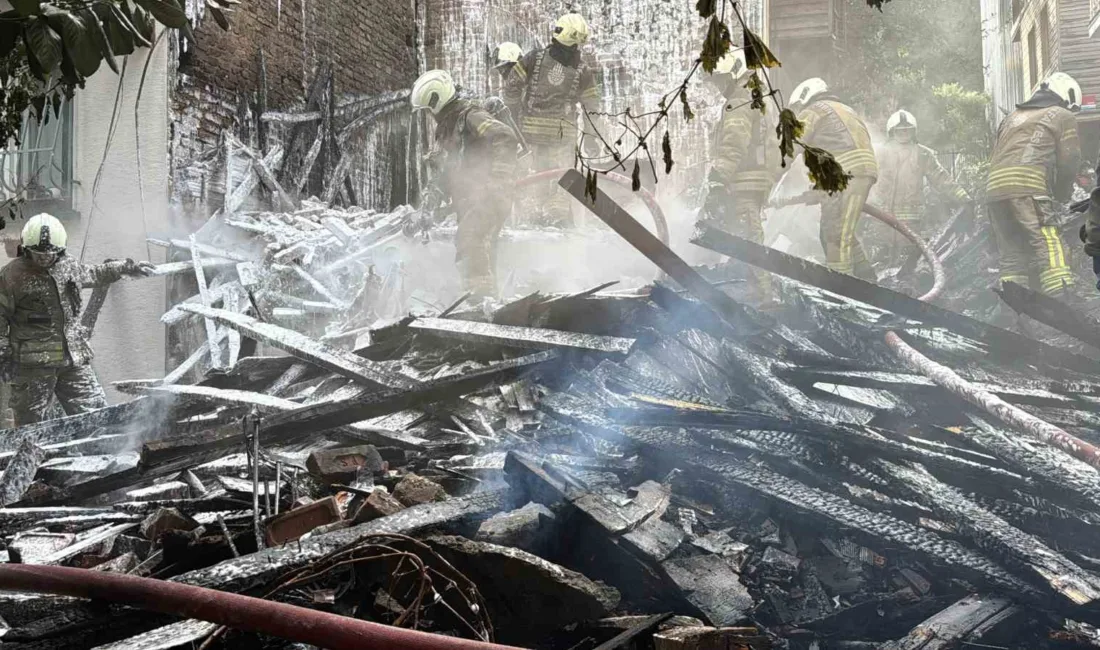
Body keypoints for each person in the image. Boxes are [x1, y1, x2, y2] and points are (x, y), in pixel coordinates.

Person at [0, 213, 154, 426]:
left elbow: (94, 273)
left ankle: (103, 455)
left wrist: (126, 267)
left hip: (73, 359)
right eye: (37, 253)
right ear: (26, 249)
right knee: (31, 425)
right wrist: (4, 355)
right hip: (33, 365)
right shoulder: (11, 276)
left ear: (61, 249)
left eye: (50, 253)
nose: (44, 257)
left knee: (96, 415)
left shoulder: (67, 266)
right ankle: (31, 458)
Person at [411, 69, 518, 298]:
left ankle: (480, 302)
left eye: (429, 109)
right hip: (470, 202)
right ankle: (490, 304)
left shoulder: (470, 115)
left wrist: (498, 179)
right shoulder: (446, 131)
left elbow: (504, 136)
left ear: (436, 100)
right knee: (483, 251)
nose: (430, 115)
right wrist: (427, 209)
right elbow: (442, 175)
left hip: (490, 195)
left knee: (470, 240)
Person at [987, 71, 1081, 298]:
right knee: (1048, 242)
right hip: (1027, 187)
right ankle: (1062, 298)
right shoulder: (1061, 115)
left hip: (994, 190)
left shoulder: (1011, 118)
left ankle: (1014, 303)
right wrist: (1062, 193)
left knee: (1011, 251)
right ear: (1066, 97)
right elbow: (1070, 160)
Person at [503, 13, 601, 227]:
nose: (577, 50)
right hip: (562, 140)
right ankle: (557, 230)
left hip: (530, 139)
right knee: (559, 190)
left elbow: (511, 87)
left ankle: (531, 229)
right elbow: (592, 110)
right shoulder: (583, 70)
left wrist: (514, 117)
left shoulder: (533, 58)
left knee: (532, 186)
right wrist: (592, 140)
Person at [700, 49, 779, 299]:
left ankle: (763, 296)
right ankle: (752, 291)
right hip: (754, 179)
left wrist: (717, 179)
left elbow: (734, 143)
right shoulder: (756, 94)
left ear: (733, 73)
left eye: (720, 79)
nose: (718, 86)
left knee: (748, 237)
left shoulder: (740, 99)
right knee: (745, 234)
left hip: (744, 180)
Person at [790, 77, 878, 280]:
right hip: (859, 173)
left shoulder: (814, 110)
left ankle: (842, 292)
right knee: (839, 228)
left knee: (835, 235)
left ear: (805, 98)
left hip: (845, 175)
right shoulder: (845, 109)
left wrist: (771, 175)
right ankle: (867, 277)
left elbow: (790, 148)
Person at [872, 109, 971, 260]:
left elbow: (941, 178)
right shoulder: (879, 153)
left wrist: (963, 196)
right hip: (882, 219)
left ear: (914, 132)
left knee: (908, 260)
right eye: (900, 131)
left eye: (907, 130)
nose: (904, 133)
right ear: (891, 132)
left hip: (911, 220)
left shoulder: (923, 154)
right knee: (881, 258)